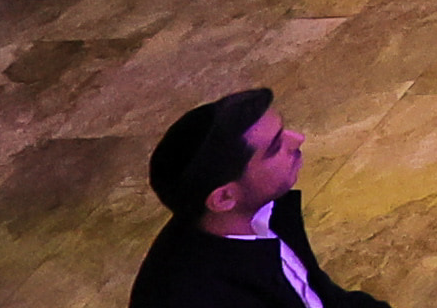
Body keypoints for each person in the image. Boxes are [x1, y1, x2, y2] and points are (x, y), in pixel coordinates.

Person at [130, 92, 385, 308]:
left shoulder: (264, 209)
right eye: (275, 148)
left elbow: (318, 294)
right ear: (224, 198)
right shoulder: (192, 296)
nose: (298, 139)